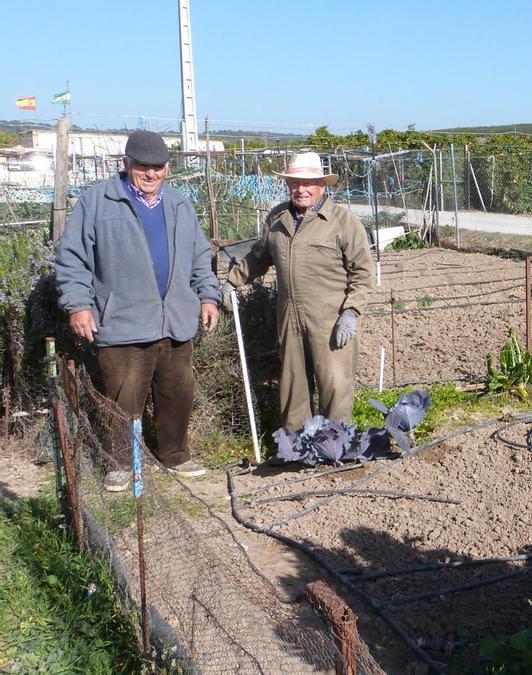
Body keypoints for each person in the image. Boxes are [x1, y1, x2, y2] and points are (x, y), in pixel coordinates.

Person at [54, 130, 221, 491]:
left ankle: (175, 454)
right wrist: (79, 306)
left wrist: (208, 296)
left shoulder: (178, 203)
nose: (151, 174)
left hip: (174, 319)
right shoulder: (98, 201)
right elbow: (71, 259)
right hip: (123, 321)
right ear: (126, 164)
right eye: (143, 166)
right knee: (123, 398)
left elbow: (198, 257)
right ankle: (120, 465)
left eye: (158, 168)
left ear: (167, 168)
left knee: (178, 392)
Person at [225, 152, 375, 432]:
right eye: (295, 183)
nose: (301, 189)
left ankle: (334, 444)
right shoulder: (278, 219)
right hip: (289, 318)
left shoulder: (343, 222)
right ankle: (296, 446)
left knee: (335, 384)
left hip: (330, 320)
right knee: (294, 386)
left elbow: (363, 273)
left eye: (308, 183)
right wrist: (232, 281)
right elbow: (258, 257)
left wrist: (351, 312)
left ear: (322, 185)